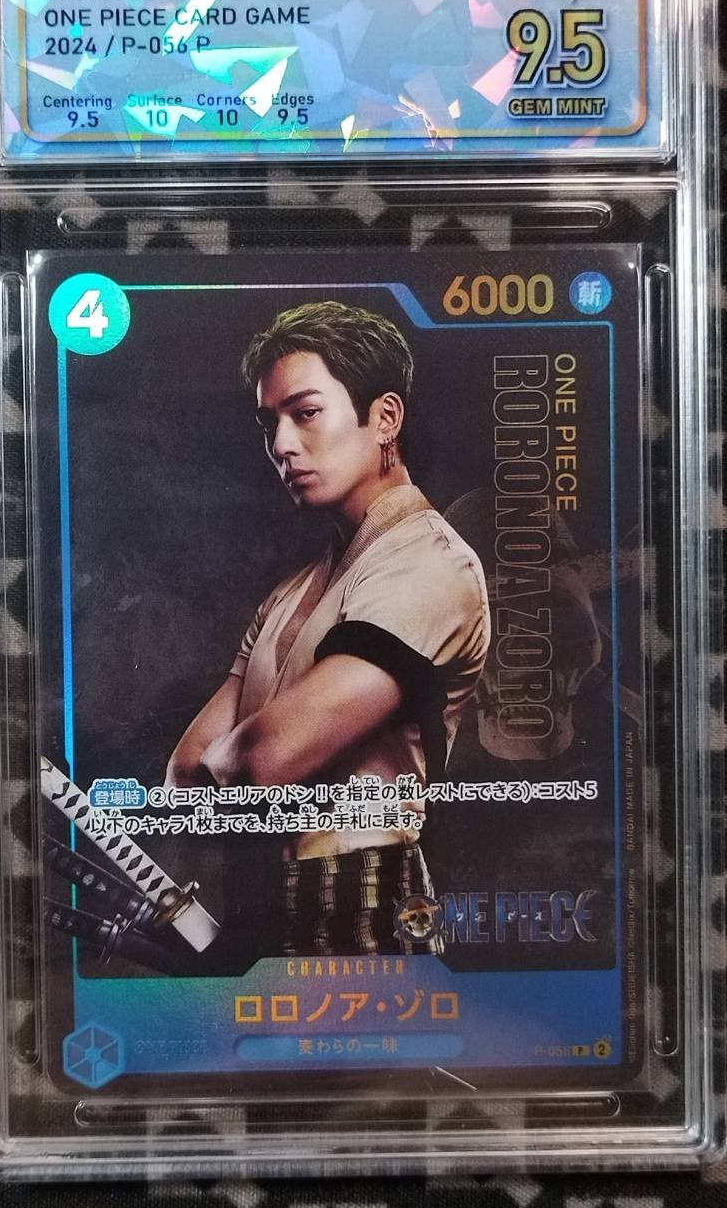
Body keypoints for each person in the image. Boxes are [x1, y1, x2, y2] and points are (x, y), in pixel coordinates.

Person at [166, 301, 489, 956]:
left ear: (385, 418)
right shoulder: (289, 593)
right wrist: (243, 761)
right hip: (260, 916)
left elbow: (258, 762)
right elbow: (182, 779)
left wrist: (246, 757)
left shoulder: (431, 564)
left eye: (306, 413)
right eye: (270, 423)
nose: (282, 445)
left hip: (365, 914)